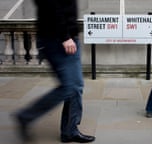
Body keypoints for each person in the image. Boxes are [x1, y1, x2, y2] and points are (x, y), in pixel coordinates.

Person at [13, 0, 95, 143]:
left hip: (60, 37)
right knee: (71, 87)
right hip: (58, 39)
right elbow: (51, 5)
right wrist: (65, 36)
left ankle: (69, 130)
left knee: (74, 87)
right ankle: (26, 116)